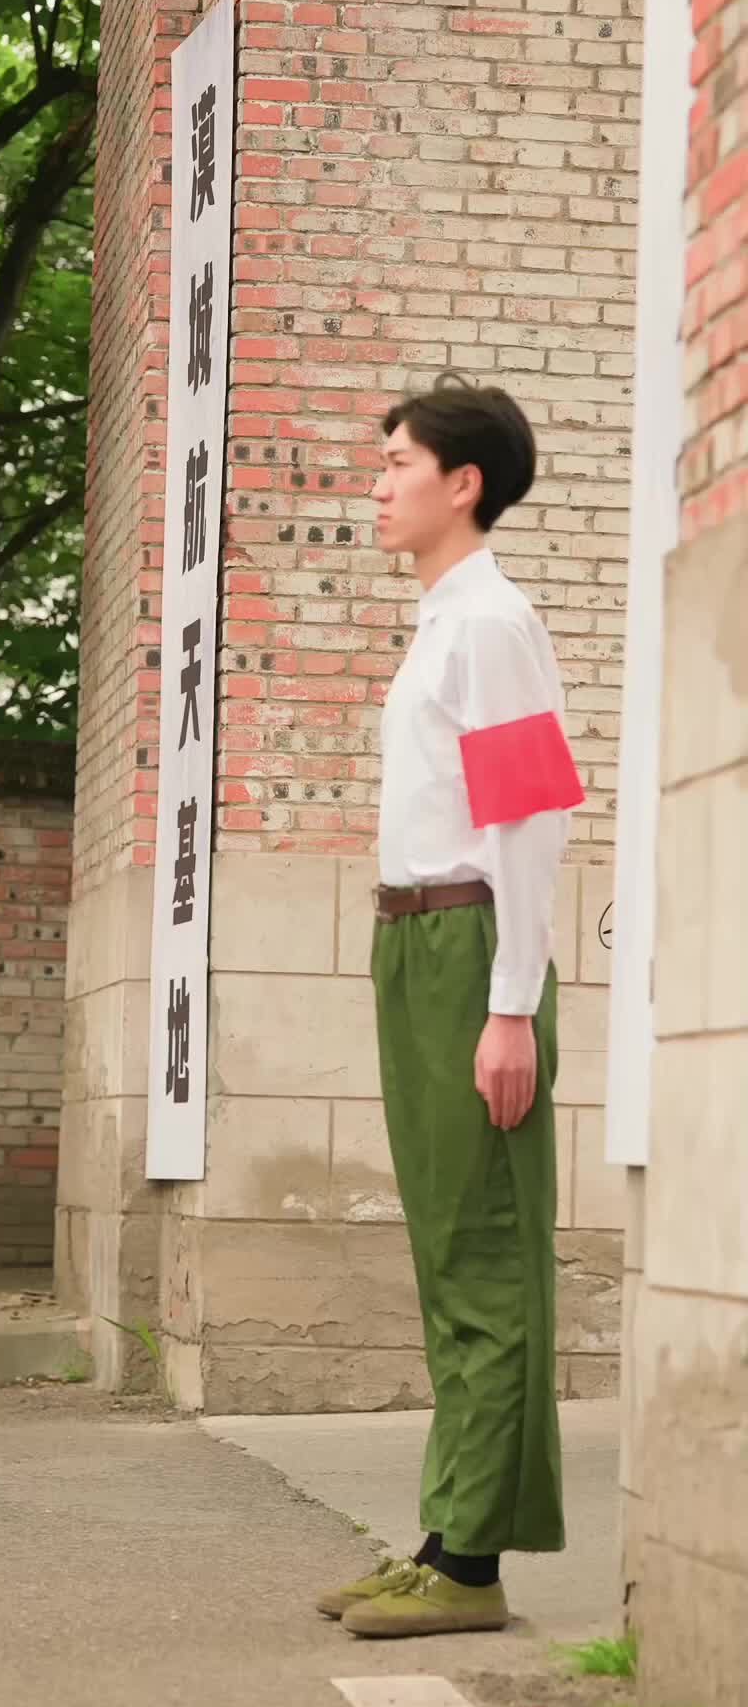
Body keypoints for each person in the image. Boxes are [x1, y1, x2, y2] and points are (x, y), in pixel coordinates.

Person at [315, 375, 583, 1640]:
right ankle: (444, 1535)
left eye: (397, 463)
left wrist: (510, 1004)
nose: (377, 484)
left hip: (471, 944)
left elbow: (530, 820)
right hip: (412, 941)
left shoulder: (491, 623)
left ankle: (471, 1565)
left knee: (484, 1250)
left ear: (462, 483)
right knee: (444, 1251)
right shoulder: (441, 623)